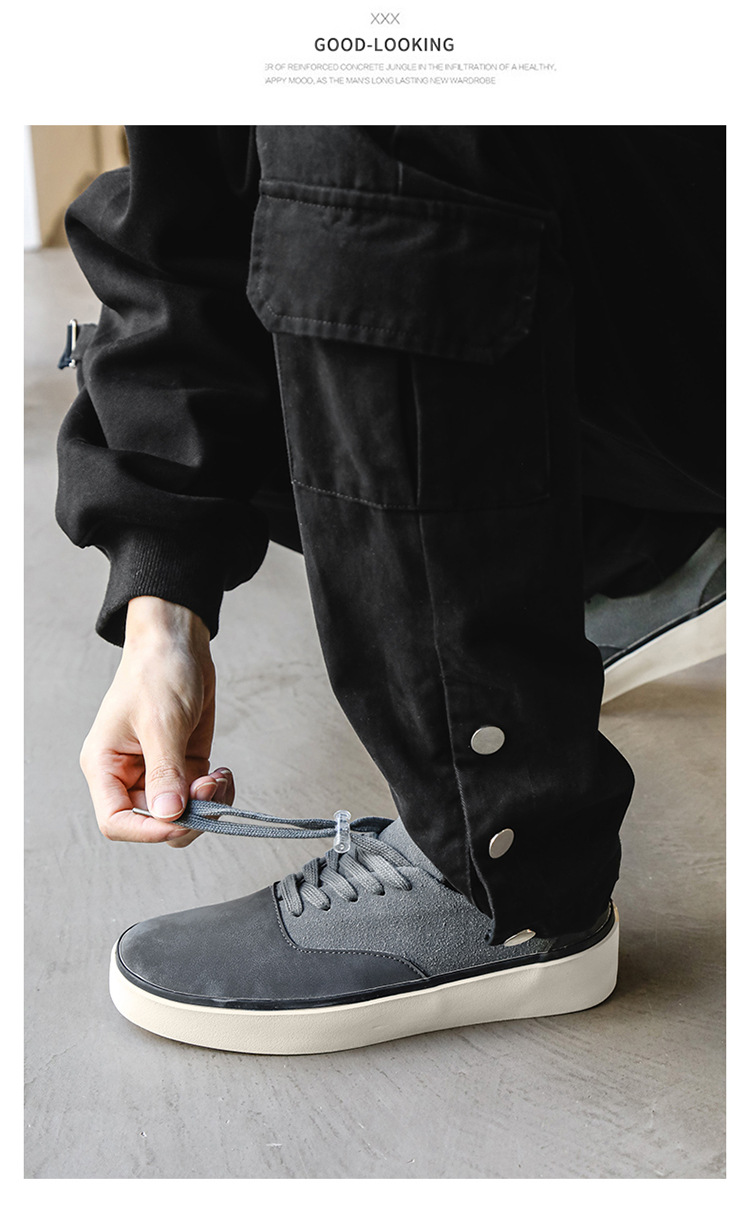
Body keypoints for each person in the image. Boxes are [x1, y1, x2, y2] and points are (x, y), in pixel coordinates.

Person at [56, 126, 725, 1054]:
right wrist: (161, 606)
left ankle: (502, 874)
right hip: (608, 321)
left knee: (382, 96)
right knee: (265, 222)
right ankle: (648, 563)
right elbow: (182, 218)